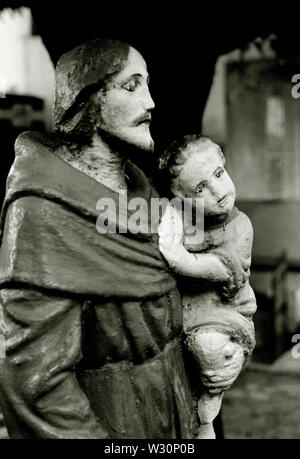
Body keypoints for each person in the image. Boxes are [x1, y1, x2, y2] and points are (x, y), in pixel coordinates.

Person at [0, 39, 200, 439]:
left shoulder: (145, 199)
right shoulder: (43, 212)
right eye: (131, 86)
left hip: (176, 413)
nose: (151, 102)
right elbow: (35, 379)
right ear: (87, 100)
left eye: (147, 84)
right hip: (110, 423)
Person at [158, 134, 257, 439]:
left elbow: (214, 269)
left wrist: (177, 255)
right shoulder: (184, 219)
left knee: (209, 346)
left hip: (225, 313)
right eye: (200, 189)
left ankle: (209, 406)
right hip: (188, 311)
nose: (218, 191)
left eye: (218, 174)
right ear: (183, 200)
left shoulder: (240, 227)